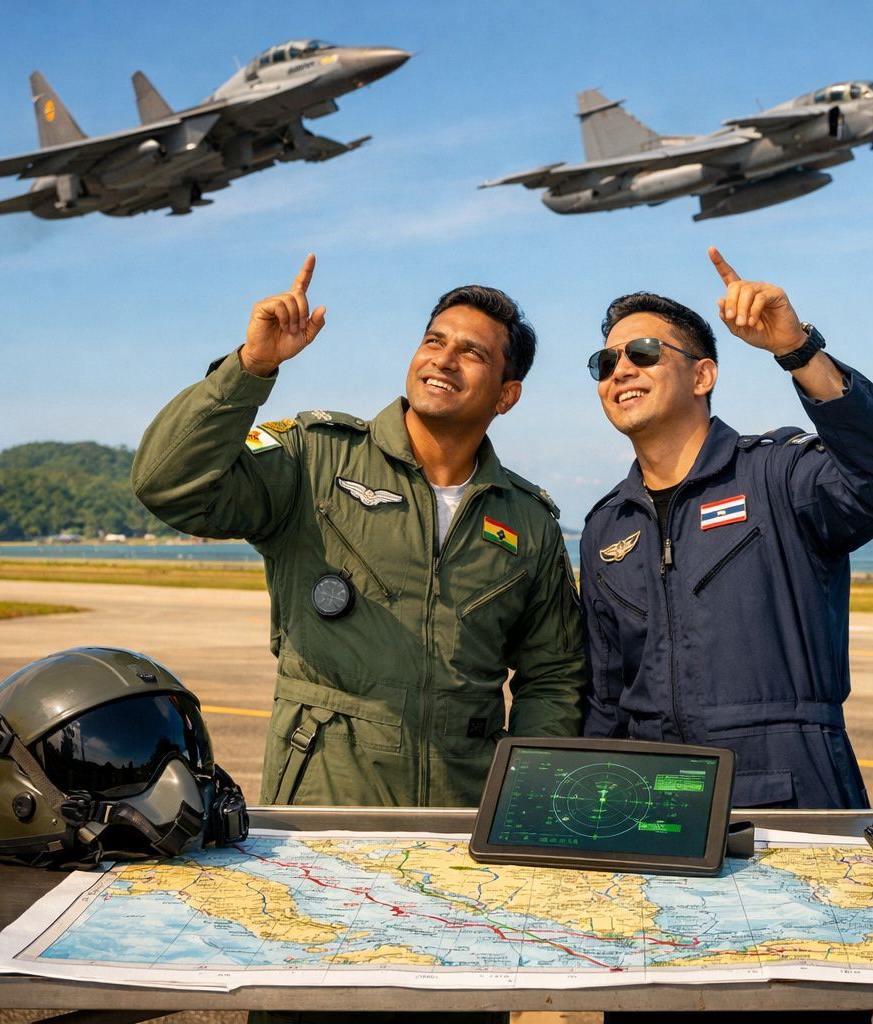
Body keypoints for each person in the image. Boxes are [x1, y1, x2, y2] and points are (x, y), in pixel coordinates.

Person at [133, 254, 587, 813]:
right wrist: (250, 368)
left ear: (506, 395)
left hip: (464, 810)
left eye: (472, 353)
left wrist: (525, 796)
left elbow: (554, 677)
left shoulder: (528, 521)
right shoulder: (315, 457)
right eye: (433, 341)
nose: (443, 360)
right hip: (323, 803)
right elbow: (167, 484)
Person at [579, 246, 873, 810]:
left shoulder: (778, 474)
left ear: (703, 375)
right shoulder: (605, 527)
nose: (620, 370)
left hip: (789, 797)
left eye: (643, 353)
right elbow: (603, 700)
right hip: (653, 804)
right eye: (605, 362)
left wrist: (798, 351)